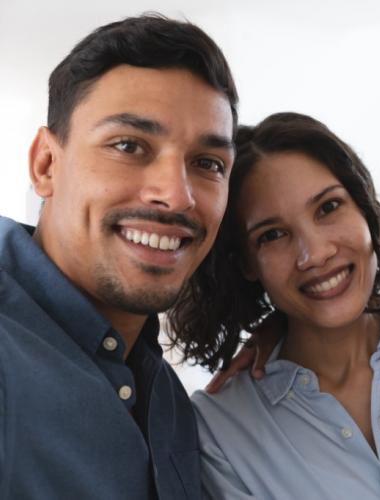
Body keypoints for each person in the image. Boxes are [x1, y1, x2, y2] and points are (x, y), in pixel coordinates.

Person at [169, 112, 380, 499]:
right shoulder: (221, 432)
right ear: (245, 263)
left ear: (365, 208)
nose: (314, 254)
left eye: (328, 208)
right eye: (273, 235)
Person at [0, 14, 237, 499]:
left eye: (208, 163)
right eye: (128, 146)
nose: (176, 196)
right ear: (46, 165)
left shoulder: (168, 399)